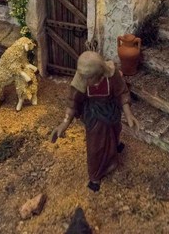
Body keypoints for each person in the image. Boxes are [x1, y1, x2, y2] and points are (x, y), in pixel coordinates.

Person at [51, 51, 139, 192]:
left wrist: (128, 114)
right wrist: (65, 122)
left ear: (99, 73)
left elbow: (122, 93)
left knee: (114, 132)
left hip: (111, 112)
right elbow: (72, 103)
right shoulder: (81, 79)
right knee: (95, 147)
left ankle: (114, 151)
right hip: (94, 117)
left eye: (89, 78)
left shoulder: (112, 75)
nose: (85, 81)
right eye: (83, 77)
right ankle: (95, 175)